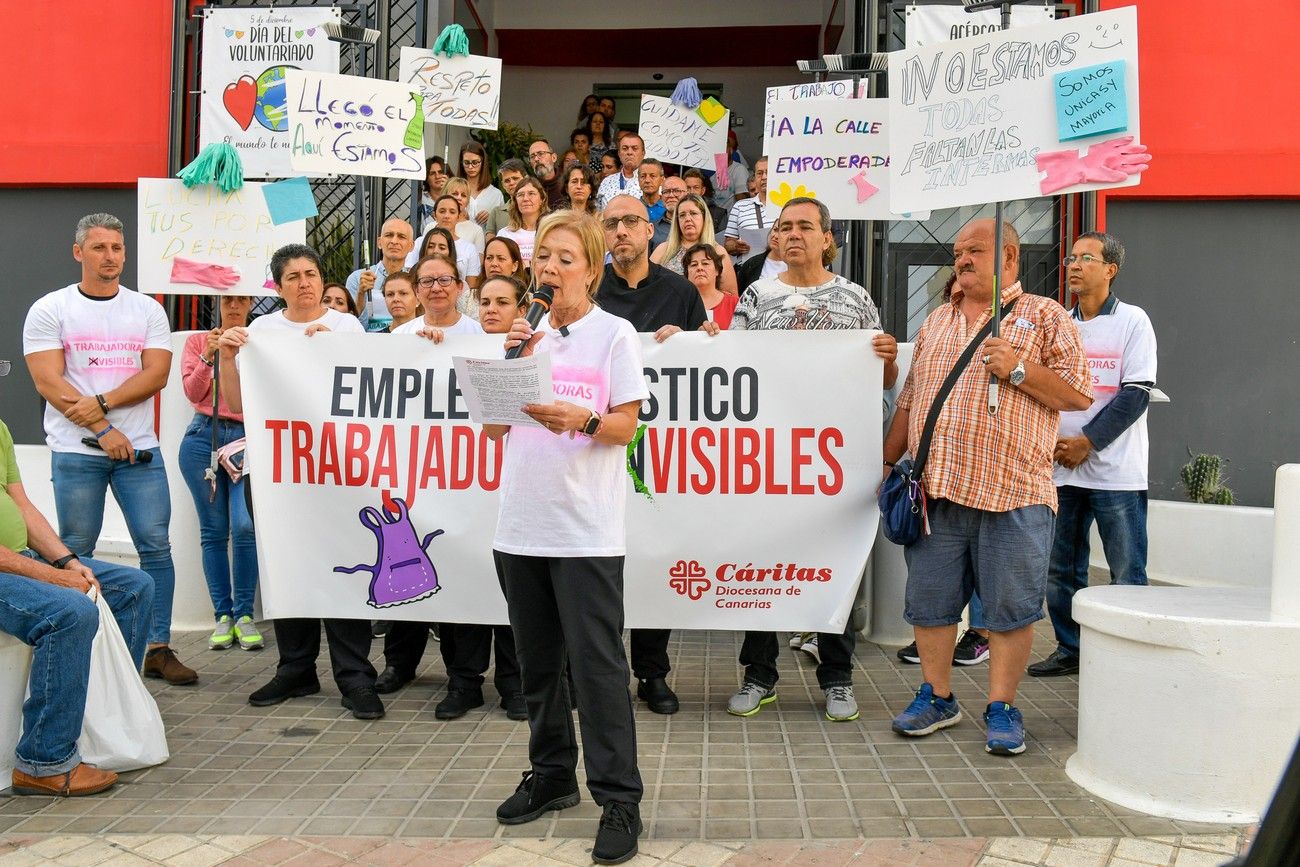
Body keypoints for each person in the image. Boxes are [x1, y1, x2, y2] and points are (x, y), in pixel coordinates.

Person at [883, 218, 1091, 756]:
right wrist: (886, 463)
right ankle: (937, 695)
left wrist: (1019, 369)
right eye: (958, 251)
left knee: (1009, 609)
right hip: (939, 490)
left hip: (1014, 493)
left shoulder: (1045, 316)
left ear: (1010, 258)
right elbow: (910, 400)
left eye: (975, 250)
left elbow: (1077, 396)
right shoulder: (936, 322)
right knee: (930, 604)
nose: (963, 259)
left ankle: (1002, 705)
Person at [486, 209, 647, 865]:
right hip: (520, 526)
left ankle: (618, 799)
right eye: (542, 258)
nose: (549, 268)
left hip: (585, 532)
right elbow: (495, 431)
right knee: (536, 664)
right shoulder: (526, 336)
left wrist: (582, 417)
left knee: (599, 669)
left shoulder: (615, 334)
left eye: (563, 258)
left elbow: (627, 428)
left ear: (591, 267)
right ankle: (552, 774)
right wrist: (512, 360)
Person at [726, 198, 898, 722]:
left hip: (832, 462)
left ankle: (838, 678)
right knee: (759, 566)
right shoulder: (756, 296)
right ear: (774, 239)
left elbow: (881, 386)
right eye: (784, 227)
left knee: (833, 566)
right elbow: (735, 370)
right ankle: (759, 676)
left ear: (828, 238)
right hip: (768, 459)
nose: (793, 234)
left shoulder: (856, 299)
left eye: (805, 226)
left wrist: (887, 364)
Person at [22, 213, 193, 687]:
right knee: (75, 550)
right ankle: (87, 644)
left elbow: (155, 375)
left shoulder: (146, 310)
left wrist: (100, 404)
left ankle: (157, 647)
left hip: (139, 452)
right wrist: (103, 430)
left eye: (117, 248)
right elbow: (48, 381)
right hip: (76, 452)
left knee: (156, 547)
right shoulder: (50, 308)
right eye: (99, 248)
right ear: (79, 252)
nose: (110, 257)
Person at [217, 243, 385, 721]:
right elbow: (237, 402)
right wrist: (229, 357)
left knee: (346, 562)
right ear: (278, 285)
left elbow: (366, 393)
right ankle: (296, 668)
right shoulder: (261, 331)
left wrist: (329, 350)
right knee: (286, 565)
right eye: (294, 277)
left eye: (312, 274)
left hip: (337, 471)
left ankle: (354, 676)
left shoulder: (345, 326)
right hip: (278, 473)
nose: (306, 283)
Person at [1, 389, 153, 797]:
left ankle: (102, 726)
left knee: (132, 588)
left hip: (17, 557)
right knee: (70, 612)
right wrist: (53, 577)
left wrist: (67, 561)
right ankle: (43, 761)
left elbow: (24, 509)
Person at [1028, 231, 1157, 678]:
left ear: (1110, 269)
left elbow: (1136, 393)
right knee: (1061, 569)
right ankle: (1071, 650)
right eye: (1072, 258)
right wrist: (1059, 446)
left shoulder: (1133, 322)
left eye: (1087, 258)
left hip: (1116, 474)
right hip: (1060, 469)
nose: (1075, 265)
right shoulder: (1057, 322)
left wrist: (1088, 442)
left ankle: (1129, 658)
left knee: (1126, 571)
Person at [177, 294, 262, 652]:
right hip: (203, 436)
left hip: (246, 437)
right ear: (219, 302)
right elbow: (192, 392)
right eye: (229, 299)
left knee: (245, 527)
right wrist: (208, 355)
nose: (234, 306)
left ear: (251, 304)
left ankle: (244, 614)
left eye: (242, 300)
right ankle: (222, 616)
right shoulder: (198, 341)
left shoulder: (259, 339)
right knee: (213, 532)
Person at [651, 193, 738, 294]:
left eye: (693, 213)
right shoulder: (663, 249)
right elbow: (646, 286)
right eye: (682, 215)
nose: (688, 219)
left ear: (704, 217)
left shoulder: (717, 251)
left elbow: (731, 296)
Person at [345, 218, 416, 332]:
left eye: (401, 237)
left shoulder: (416, 279)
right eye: (389, 235)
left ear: (411, 246)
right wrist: (361, 293)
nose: (394, 241)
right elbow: (350, 325)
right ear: (379, 242)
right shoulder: (358, 278)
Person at [723, 156, 779, 265]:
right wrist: (736, 246)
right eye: (759, 173)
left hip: (783, 268)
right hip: (750, 270)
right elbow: (728, 244)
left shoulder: (788, 205)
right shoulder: (740, 206)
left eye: (768, 172)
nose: (764, 177)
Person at [429, 195, 484, 291]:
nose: (446, 216)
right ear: (434, 215)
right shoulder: (420, 242)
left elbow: (471, 288)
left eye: (452, 212)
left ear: (458, 216)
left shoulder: (469, 249)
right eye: (442, 211)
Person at [495, 177, 549, 270]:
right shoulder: (504, 234)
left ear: (542, 199)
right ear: (515, 201)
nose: (525, 199)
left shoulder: (550, 232)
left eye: (531, 193)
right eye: (520, 195)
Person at [683, 244, 738, 330]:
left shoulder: (735, 304)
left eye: (705, 263)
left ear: (717, 270)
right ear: (687, 273)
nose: (699, 268)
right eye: (694, 265)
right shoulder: (677, 304)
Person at [458, 141, 504, 228]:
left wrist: (492, 218)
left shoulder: (496, 194)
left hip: (485, 240)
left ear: (483, 162)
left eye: (475, 162)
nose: (471, 167)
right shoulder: (454, 191)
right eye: (467, 163)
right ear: (461, 163)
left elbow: (502, 226)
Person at [595, 133, 646, 211]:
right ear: (619, 153)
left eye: (634, 148)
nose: (629, 152)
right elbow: (597, 213)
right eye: (625, 148)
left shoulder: (654, 181)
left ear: (643, 153)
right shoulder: (607, 182)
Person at [484, 159, 530, 238]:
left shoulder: (538, 207)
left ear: (526, 178)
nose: (511, 183)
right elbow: (491, 245)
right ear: (503, 185)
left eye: (515, 178)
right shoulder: (496, 213)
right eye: (507, 181)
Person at [441, 177, 487, 255]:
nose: (459, 198)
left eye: (463, 195)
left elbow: (478, 263)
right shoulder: (431, 227)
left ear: (468, 201)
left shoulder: (476, 231)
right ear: (445, 195)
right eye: (455, 194)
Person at [735, 226, 785, 295]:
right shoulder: (751, 265)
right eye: (775, 230)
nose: (775, 236)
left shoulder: (800, 266)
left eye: (782, 232)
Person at [683, 168, 728, 235]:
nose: (692, 192)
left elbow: (722, 240)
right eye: (688, 188)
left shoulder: (718, 214)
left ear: (703, 190)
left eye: (696, 187)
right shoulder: (677, 211)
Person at [527, 138, 567, 210]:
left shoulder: (568, 183)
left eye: (541, 154)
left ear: (554, 157)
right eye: (532, 156)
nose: (536, 159)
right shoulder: (529, 187)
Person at [653, 175, 687, 247]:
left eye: (677, 191)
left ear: (687, 194)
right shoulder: (652, 229)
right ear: (661, 197)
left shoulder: (697, 226)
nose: (671, 195)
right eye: (666, 192)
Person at [417, 156, 450, 229]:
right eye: (432, 173)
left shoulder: (456, 197)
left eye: (440, 172)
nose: (437, 176)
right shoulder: (421, 199)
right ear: (426, 178)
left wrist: (449, 188)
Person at [637, 158, 666, 229]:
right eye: (643, 176)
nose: (647, 180)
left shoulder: (669, 208)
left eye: (652, 176)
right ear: (638, 179)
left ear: (662, 180)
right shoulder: (633, 207)